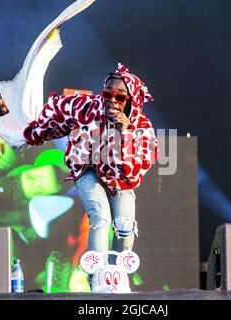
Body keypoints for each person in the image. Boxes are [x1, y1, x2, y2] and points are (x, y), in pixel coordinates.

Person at [23, 63, 158, 267]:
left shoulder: (142, 127)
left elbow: (132, 174)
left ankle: (117, 273)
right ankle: (98, 276)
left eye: (120, 96)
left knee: (124, 225)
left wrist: (125, 133)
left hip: (119, 179)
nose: (112, 100)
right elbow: (59, 112)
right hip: (88, 169)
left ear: (132, 101)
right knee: (100, 219)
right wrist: (31, 134)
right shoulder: (87, 106)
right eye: (107, 94)